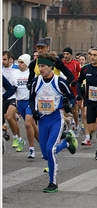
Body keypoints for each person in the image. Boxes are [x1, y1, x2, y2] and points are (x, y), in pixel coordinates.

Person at [28, 52, 78, 193]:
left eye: (43, 66)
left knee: (50, 150)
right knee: (45, 154)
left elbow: (72, 97)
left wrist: (69, 105)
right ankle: (67, 143)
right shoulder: (35, 82)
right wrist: (34, 111)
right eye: (39, 66)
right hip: (42, 120)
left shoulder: (59, 82)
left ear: (50, 67)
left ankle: (53, 183)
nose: (41, 69)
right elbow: (31, 99)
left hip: (56, 119)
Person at [76, 47, 97, 160]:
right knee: (91, 128)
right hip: (89, 100)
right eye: (90, 54)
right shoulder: (85, 69)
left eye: (95, 55)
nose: (92, 57)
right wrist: (79, 93)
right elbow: (79, 81)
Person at [10, 54, 40, 157]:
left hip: (30, 101)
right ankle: (44, 144)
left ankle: (31, 149)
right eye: (18, 62)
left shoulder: (31, 73)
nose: (19, 64)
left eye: (22, 62)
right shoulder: (14, 74)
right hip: (20, 102)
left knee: (27, 124)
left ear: (27, 63)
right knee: (32, 126)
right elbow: (13, 89)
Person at [2, 50, 23, 150]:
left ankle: (15, 138)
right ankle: (19, 139)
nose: (3, 62)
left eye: (5, 59)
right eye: (1, 60)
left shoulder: (16, 69)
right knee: (13, 120)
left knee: (9, 117)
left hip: (13, 97)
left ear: (10, 60)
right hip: (3, 98)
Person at [62, 47, 82, 137]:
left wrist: (76, 81)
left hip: (73, 89)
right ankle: (67, 123)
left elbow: (81, 74)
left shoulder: (75, 64)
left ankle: (77, 126)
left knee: (74, 109)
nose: (65, 56)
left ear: (71, 55)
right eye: (64, 54)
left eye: (67, 54)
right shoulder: (61, 63)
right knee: (61, 108)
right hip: (63, 88)